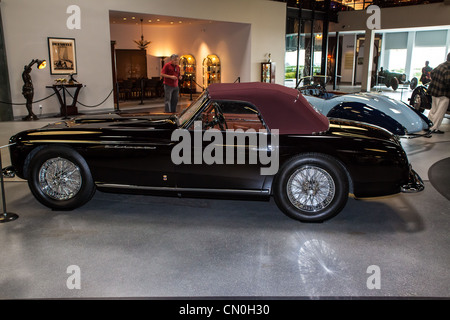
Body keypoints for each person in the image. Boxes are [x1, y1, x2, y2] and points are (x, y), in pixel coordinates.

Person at [427, 53, 450, 134]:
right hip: (443, 94)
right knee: (440, 112)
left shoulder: (441, 65)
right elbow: (448, 81)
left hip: (434, 91)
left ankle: (428, 125)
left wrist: (437, 81)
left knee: (433, 110)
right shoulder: (448, 68)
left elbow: (432, 73)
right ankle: (434, 128)